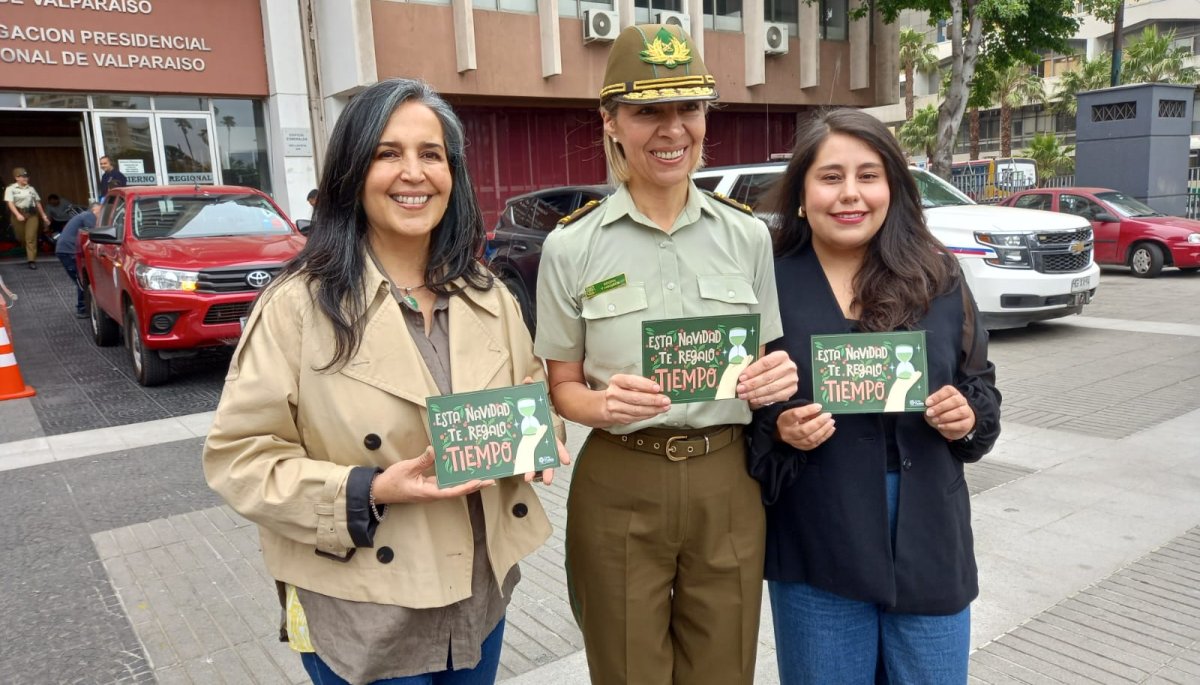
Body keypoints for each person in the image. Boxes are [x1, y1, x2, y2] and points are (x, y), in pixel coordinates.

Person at [203, 78, 568, 685]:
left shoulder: (487, 294)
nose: (414, 173)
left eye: (431, 154)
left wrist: (541, 437)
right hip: (362, 609)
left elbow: (533, 393)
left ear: (453, 173)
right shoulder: (297, 306)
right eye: (388, 153)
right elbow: (239, 460)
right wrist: (369, 489)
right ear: (352, 171)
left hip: (480, 597)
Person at [534, 24, 799, 685]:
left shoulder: (746, 236)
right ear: (611, 121)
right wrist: (600, 404)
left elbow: (762, 358)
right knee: (628, 670)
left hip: (727, 478)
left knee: (723, 670)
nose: (672, 129)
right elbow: (561, 387)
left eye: (689, 108)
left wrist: (774, 378)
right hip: (621, 476)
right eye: (648, 111)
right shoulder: (571, 246)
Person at [747, 108, 1002, 684]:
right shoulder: (767, 284)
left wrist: (966, 417)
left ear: (893, 187)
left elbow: (980, 386)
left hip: (929, 540)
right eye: (830, 177)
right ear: (802, 193)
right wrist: (780, 429)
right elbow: (743, 414)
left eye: (868, 175)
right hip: (819, 542)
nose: (850, 194)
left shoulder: (938, 276)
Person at [57, 202, 99, 319]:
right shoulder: (88, 215)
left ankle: (84, 307)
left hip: (66, 250)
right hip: (69, 251)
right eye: (100, 212)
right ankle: (82, 309)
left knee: (81, 280)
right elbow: (95, 231)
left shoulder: (82, 216)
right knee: (81, 280)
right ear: (95, 210)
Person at [4, 168, 50, 269]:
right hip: (18, 214)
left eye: (26, 177)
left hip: (31, 215)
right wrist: (17, 214)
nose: (26, 178)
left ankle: (31, 260)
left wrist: (44, 216)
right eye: (23, 177)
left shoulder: (31, 189)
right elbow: (10, 203)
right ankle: (27, 249)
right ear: (16, 178)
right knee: (21, 237)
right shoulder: (11, 188)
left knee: (31, 237)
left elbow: (37, 203)